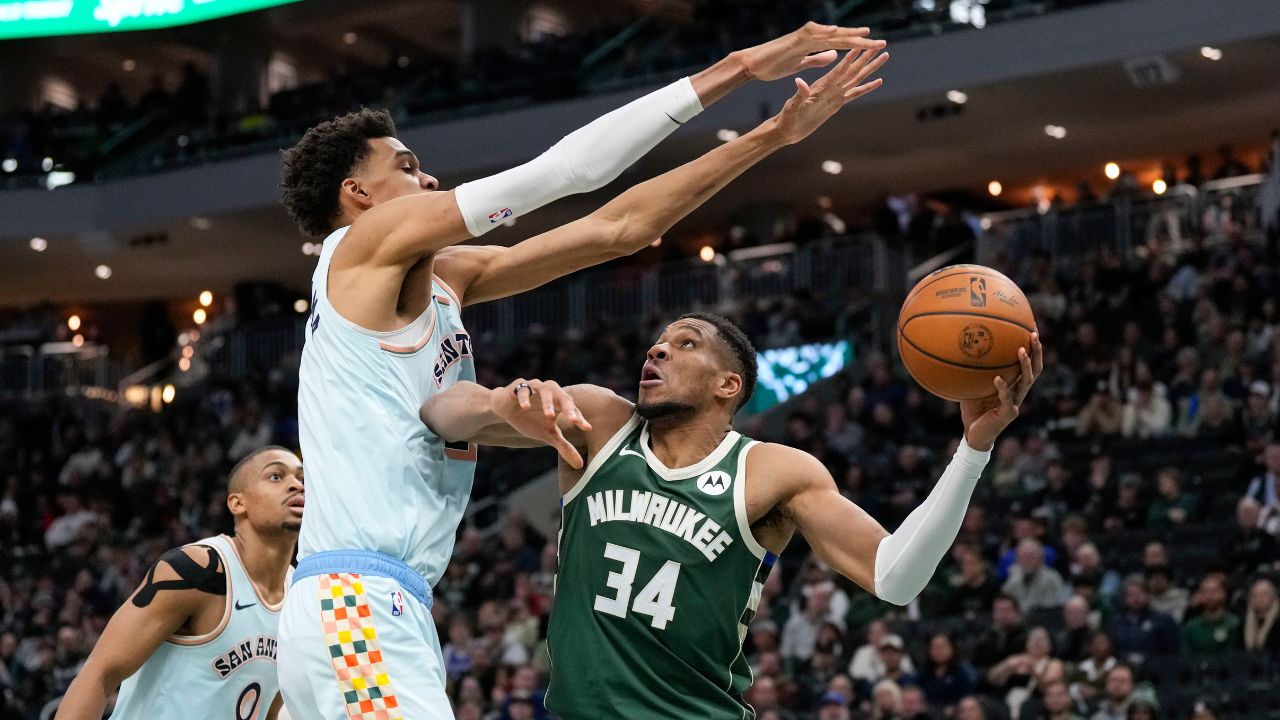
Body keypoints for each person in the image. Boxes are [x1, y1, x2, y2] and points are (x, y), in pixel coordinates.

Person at [275, 22, 889, 718]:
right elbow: (569, 172)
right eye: (409, 167)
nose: (430, 178)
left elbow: (618, 230)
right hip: (355, 600)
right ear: (358, 194)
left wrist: (772, 135)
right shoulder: (360, 245)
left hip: (378, 601)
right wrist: (740, 67)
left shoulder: (444, 278)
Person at [421, 316, 1043, 718]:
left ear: (728, 385)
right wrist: (507, 401)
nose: (658, 348)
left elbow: (897, 576)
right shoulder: (596, 422)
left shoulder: (775, 471)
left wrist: (973, 448)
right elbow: (441, 412)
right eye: (657, 342)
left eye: (684, 344)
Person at [56, 447, 304, 720]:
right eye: (276, 476)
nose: (296, 485)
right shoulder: (197, 570)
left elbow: (269, 705)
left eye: (302, 479)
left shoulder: (300, 596)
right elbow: (99, 673)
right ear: (237, 503)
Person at [1181, 576, 1242, 655]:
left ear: (1223, 593)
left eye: (1214, 591)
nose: (1210, 596)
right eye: (1205, 592)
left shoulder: (1235, 624)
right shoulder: (1191, 628)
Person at [1243, 578, 1280, 654]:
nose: (1259, 599)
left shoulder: (1278, 623)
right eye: (1255, 595)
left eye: (1264, 594)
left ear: (1273, 597)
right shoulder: (1243, 622)